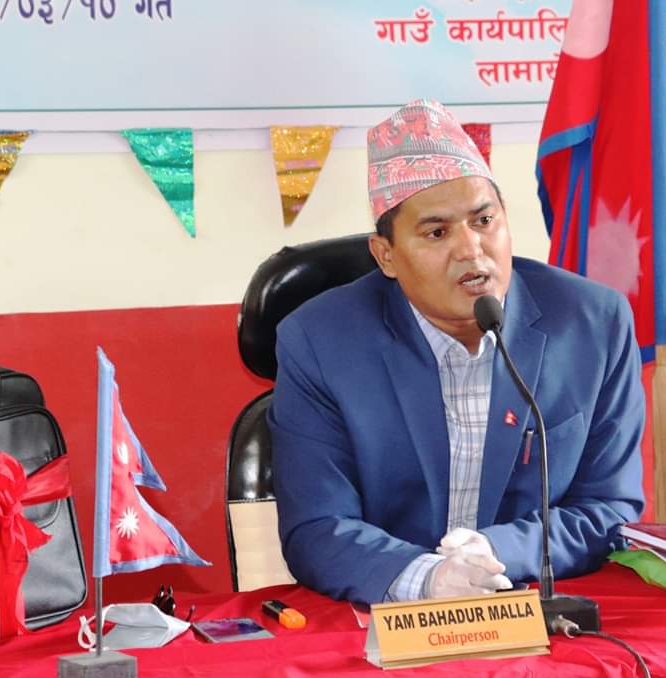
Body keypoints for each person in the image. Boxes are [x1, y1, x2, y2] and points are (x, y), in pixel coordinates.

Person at [269, 99, 644, 605]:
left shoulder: (593, 324)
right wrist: (426, 577)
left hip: (533, 606)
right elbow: (316, 526)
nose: (471, 250)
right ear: (386, 256)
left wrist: (498, 551)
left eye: (484, 220)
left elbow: (610, 509)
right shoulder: (320, 341)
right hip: (383, 620)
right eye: (437, 232)